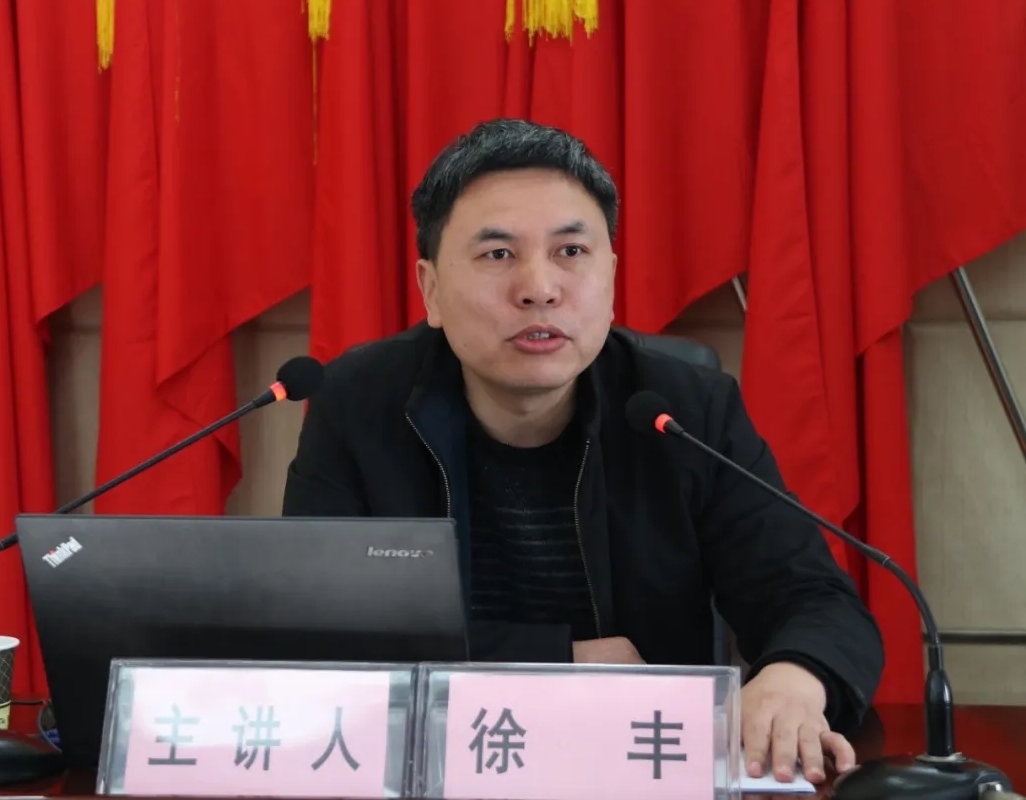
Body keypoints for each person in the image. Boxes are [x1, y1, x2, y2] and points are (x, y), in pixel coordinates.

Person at [282, 118, 884, 785]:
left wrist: (796, 678)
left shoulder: (684, 411)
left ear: (611, 276)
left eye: (571, 251)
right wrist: (562, 658)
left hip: (640, 773)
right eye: (497, 254)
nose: (540, 288)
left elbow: (814, 598)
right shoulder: (357, 404)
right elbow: (316, 628)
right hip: (431, 769)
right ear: (430, 289)